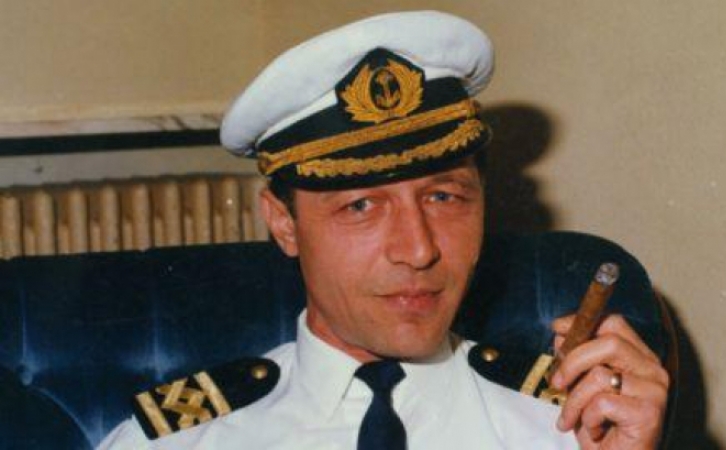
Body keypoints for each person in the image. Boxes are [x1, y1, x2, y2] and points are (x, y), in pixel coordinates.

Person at [98, 10, 668, 450]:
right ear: (284, 223)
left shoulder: (568, 429)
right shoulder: (179, 441)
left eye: (443, 197)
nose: (418, 250)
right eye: (362, 206)